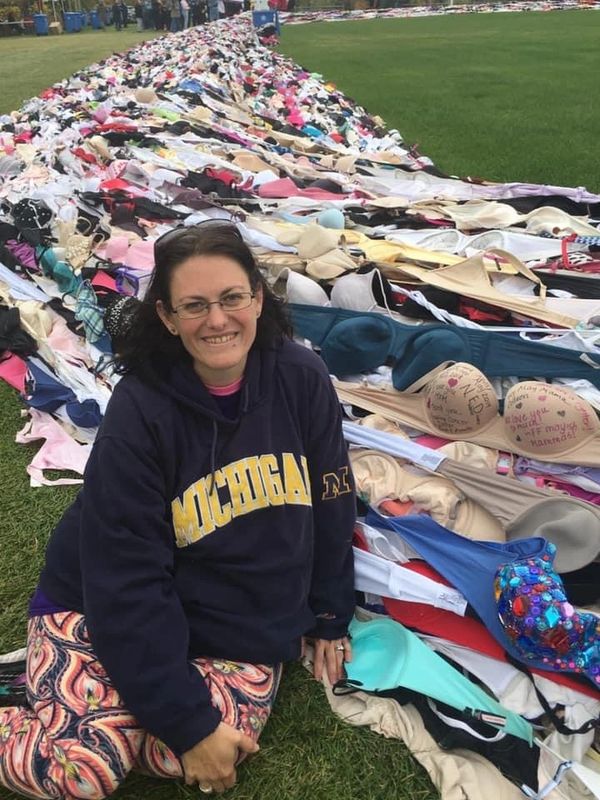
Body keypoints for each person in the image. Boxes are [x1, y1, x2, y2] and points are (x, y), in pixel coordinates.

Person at [0, 223, 355, 798]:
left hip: (235, 621)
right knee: (86, 772)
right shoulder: (141, 409)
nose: (217, 320)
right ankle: (65, 688)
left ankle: (66, 695)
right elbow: (125, 575)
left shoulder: (301, 377)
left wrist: (331, 612)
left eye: (232, 298)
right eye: (194, 306)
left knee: (192, 751)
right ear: (166, 316)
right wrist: (188, 723)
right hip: (101, 603)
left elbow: (332, 497)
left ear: (258, 299)